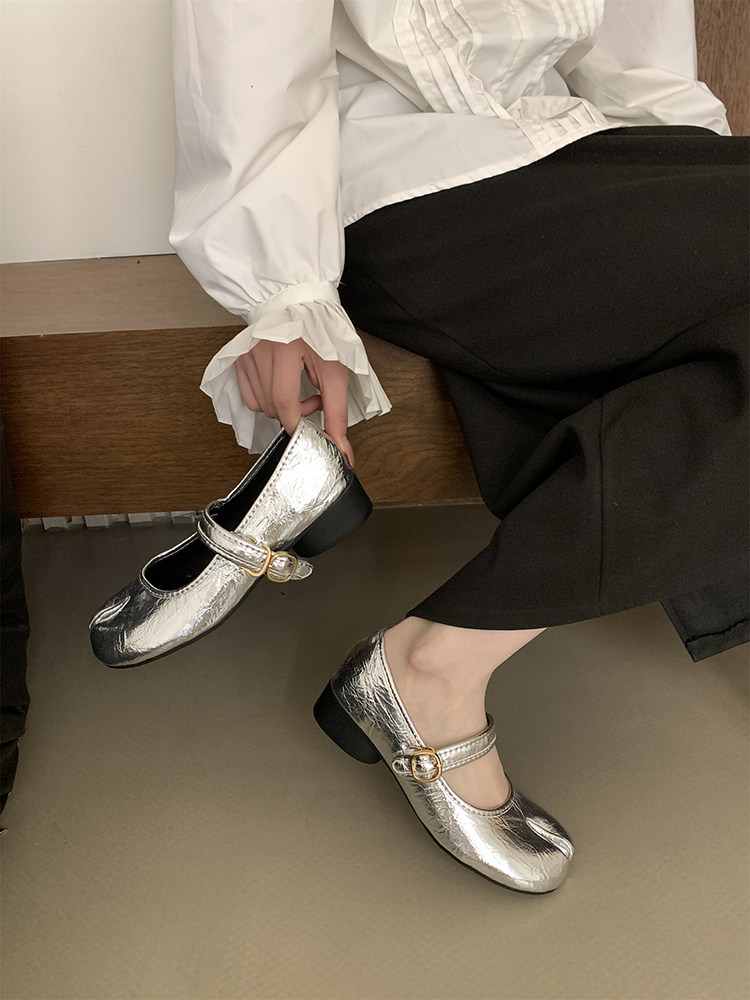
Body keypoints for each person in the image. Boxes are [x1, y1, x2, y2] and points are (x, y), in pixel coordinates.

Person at [167, 0, 748, 890]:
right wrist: (282, 287)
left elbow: (638, 58)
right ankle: (432, 667)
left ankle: (433, 657)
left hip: (585, 148)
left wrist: (696, 203)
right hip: (401, 180)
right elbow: (246, 48)